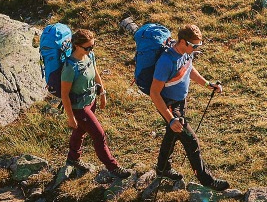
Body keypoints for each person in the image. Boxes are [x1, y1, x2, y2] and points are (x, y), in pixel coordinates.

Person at [148, 23, 228, 190]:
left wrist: (208, 84)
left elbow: (189, 69)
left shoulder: (185, 53)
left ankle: (163, 168)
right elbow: (154, 93)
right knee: (191, 140)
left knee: (172, 135)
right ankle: (207, 180)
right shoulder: (166, 61)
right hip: (169, 104)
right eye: (194, 46)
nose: (197, 49)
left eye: (199, 45)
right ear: (183, 42)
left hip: (180, 102)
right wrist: (170, 119)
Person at [60, 28, 131, 178]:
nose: (91, 49)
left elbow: (96, 73)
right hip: (79, 108)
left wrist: (103, 93)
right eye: (88, 47)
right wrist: (71, 117)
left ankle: (72, 159)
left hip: (91, 101)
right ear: (77, 46)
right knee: (99, 135)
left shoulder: (89, 56)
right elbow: (64, 94)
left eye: (93, 45)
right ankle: (113, 167)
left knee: (80, 131)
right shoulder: (70, 67)